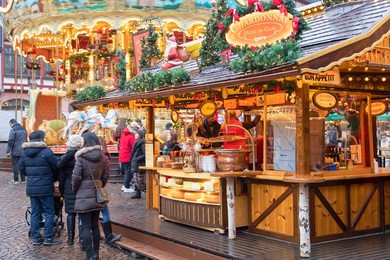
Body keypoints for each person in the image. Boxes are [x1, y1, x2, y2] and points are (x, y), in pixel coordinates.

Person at [18, 130, 60, 246]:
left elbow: (21, 167)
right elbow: (55, 167)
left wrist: (30, 176)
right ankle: (48, 237)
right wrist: (53, 178)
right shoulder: (46, 151)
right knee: (49, 211)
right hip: (46, 186)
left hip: (32, 187)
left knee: (35, 212)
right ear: (41, 138)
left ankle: (36, 237)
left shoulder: (25, 152)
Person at [72, 131, 108, 260]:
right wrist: (99, 185)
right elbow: (105, 176)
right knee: (95, 225)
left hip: (83, 195)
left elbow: (76, 178)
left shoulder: (81, 158)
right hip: (97, 195)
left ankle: (89, 255)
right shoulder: (102, 157)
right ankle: (96, 254)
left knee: (86, 226)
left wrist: (76, 190)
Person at [57, 134, 83, 246]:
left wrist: (62, 191)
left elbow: (61, 177)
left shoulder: (64, 159)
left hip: (69, 186)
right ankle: (82, 240)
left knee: (71, 213)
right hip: (82, 186)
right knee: (82, 213)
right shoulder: (82, 157)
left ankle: (70, 239)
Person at [97, 136, 122, 246]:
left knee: (87, 214)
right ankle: (108, 236)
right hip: (98, 187)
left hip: (86, 189)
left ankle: (83, 239)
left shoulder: (84, 156)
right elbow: (105, 175)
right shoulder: (104, 156)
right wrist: (102, 185)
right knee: (104, 211)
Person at [7, 119, 27, 184]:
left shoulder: (13, 130)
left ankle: (16, 180)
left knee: (15, 165)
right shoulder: (24, 129)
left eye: (10, 124)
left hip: (15, 151)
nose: (10, 126)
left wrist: (8, 151)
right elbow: (25, 139)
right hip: (23, 150)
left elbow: (10, 141)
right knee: (23, 164)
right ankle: (23, 180)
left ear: (11, 123)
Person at [119, 122, 138, 193]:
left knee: (126, 171)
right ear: (134, 128)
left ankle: (125, 185)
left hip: (123, 155)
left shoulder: (123, 134)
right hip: (128, 156)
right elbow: (133, 146)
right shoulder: (131, 136)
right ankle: (127, 186)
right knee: (129, 172)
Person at [129, 129, 146, 199]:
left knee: (139, 179)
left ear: (140, 135)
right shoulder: (137, 142)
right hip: (136, 163)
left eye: (137, 134)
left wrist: (137, 158)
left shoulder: (142, 143)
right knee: (135, 178)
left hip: (140, 163)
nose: (135, 135)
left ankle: (145, 190)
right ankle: (137, 192)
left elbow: (145, 154)